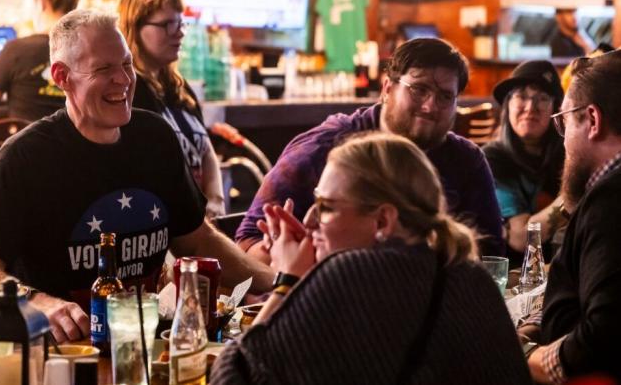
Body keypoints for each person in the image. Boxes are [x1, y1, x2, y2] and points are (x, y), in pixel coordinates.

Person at [0, 9, 274, 343]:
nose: (123, 79)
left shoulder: (155, 137)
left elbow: (199, 240)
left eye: (126, 64)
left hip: (147, 346)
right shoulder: (25, 157)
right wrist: (36, 303)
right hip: (62, 354)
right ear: (62, 76)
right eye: (103, 68)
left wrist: (278, 282)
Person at [211, 133, 530, 384]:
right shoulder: (468, 274)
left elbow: (231, 376)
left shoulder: (352, 274)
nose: (310, 221)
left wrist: (289, 281)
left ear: (382, 221)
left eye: (327, 207)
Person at [237, 38, 505, 261]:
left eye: (445, 96)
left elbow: (492, 257)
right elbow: (247, 244)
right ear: (387, 88)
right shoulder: (324, 147)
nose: (430, 106)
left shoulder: (466, 160)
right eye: (419, 89)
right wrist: (298, 255)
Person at [522, 51, 621, 382]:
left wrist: (534, 359)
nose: (563, 139)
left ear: (592, 120)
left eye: (563, 121)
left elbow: (606, 331)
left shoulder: (611, 195)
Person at [117, 0, 224, 217]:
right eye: (168, 24)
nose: (180, 32)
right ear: (134, 28)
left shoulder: (179, 87)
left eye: (180, 22)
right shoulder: (128, 93)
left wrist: (215, 199)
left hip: (200, 222)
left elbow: (206, 150)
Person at [483, 60, 566, 266]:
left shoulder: (568, 155)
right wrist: (572, 195)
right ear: (508, 104)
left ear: (555, 110)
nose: (531, 108)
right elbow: (521, 238)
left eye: (542, 99)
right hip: (513, 278)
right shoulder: (493, 157)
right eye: (521, 96)